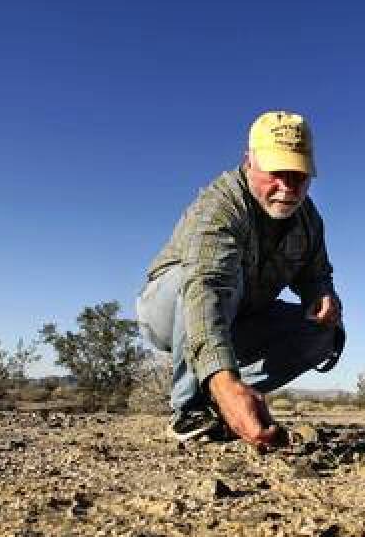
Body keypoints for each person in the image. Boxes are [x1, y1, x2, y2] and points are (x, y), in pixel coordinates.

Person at [136, 111, 344, 447]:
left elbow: (316, 273)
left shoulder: (309, 220)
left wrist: (321, 295)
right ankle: (191, 408)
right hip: (169, 310)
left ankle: (222, 402)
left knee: (325, 334)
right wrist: (225, 382)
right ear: (249, 161)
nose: (288, 187)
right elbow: (206, 288)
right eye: (277, 172)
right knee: (216, 277)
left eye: (299, 175)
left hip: (241, 317)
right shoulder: (219, 205)